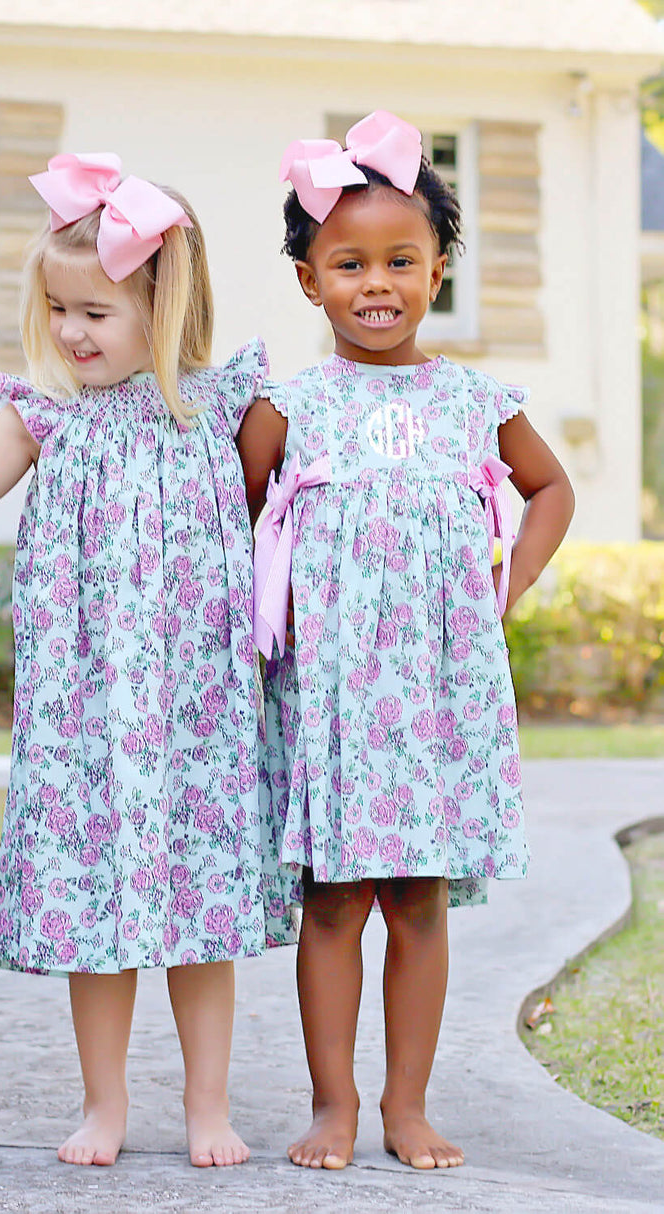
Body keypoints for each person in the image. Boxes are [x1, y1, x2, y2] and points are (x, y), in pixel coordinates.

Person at [0, 152, 295, 1169]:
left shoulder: (222, 404)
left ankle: (208, 1105)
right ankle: (101, 1103)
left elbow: (290, 510)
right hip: (83, 710)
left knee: (200, 918)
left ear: (164, 304)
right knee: (97, 918)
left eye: (95, 312)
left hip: (198, 705)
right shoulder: (44, 413)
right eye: (58, 308)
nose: (70, 330)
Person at [237, 111, 575, 1173]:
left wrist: (507, 578)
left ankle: (405, 1103)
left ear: (437, 270)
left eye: (399, 260)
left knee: (418, 900)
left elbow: (549, 488)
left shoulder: (474, 399)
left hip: (434, 692)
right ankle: (331, 1103)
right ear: (307, 280)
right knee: (333, 899)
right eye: (347, 263)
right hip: (332, 695)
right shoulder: (285, 407)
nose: (374, 283)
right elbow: (230, 525)